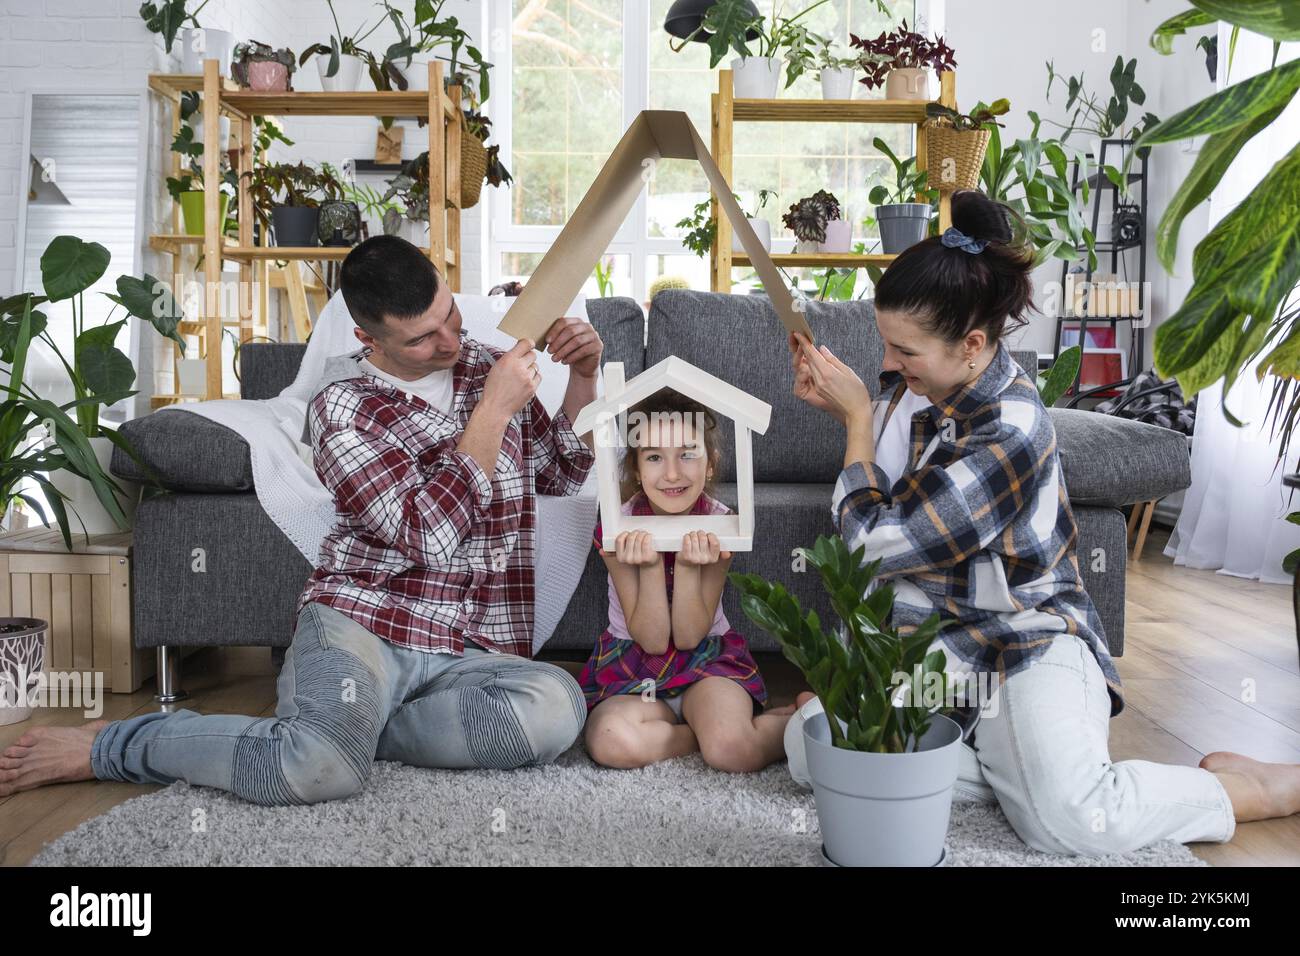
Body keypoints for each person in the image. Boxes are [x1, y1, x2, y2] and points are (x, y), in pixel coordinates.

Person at [783, 189, 1300, 856]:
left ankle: (1250, 790)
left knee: (1072, 823)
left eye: (902, 349)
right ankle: (1020, 770)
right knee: (811, 753)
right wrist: (860, 409)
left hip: (1023, 645)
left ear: (972, 345)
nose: (885, 365)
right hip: (940, 649)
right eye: (886, 344)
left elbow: (875, 547)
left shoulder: (1009, 429)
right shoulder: (922, 391)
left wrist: (855, 421)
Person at [0, 236, 603, 805]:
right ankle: (119, 745)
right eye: (422, 338)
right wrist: (495, 410)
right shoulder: (342, 407)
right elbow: (429, 534)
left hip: (471, 644)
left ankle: (352, 730)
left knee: (556, 709)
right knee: (315, 772)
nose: (450, 343)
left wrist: (581, 377)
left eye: (451, 316)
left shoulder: (484, 365)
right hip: (366, 622)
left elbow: (558, 475)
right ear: (370, 338)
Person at [580, 389, 798, 772]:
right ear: (636, 468)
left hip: (705, 661)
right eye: (654, 457)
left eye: (687, 454)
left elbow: (688, 636)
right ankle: (697, 734)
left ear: (710, 464)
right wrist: (648, 568)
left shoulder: (720, 524)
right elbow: (650, 639)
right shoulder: (617, 529)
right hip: (635, 665)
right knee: (610, 742)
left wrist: (686, 565)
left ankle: (797, 719)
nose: (672, 474)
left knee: (733, 751)